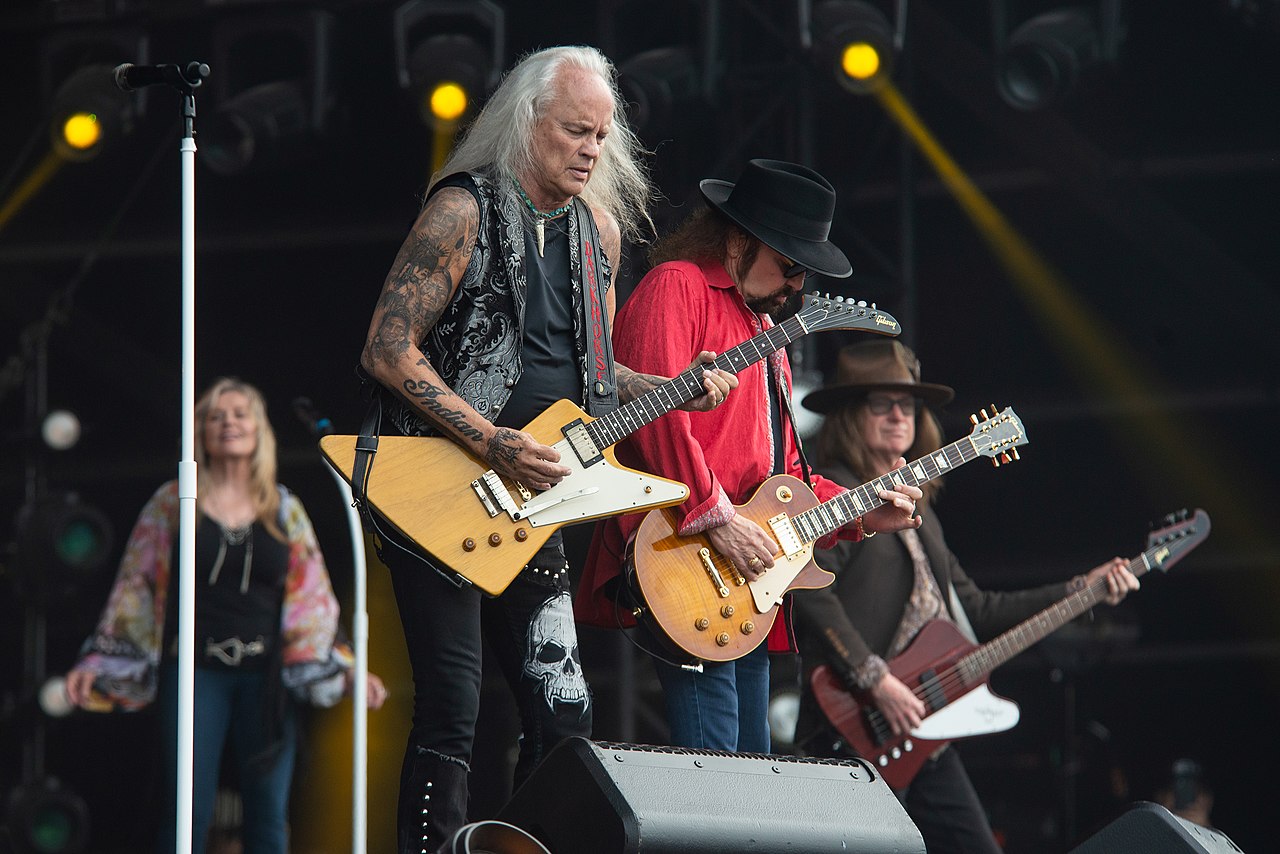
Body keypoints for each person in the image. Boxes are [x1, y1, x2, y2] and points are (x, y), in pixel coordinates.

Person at [356, 45, 736, 853]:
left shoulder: (597, 231)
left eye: (602, 136)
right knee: (454, 703)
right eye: (575, 131)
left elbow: (595, 374)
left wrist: (672, 382)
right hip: (440, 489)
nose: (591, 150)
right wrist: (491, 439)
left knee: (563, 711)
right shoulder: (461, 211)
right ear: (528, 123)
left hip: (540, 502)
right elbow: (389, 350)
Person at [576, 158, 924, 754]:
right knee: (717, 775)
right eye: (789, 266)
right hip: (684, 556)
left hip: (747, 584)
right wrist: (719, 517)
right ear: (739, 240)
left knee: (752, 773)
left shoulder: (769, 340)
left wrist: (863, 514)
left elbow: (790, 479)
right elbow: (658, 423)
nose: (797, 287)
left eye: (805, 276)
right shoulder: (677, 286)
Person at [790, 339, 1140, 854]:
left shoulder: (921, 514)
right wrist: (874, 678)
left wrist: (1078, 590)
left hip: (924, 732)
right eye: (879, 403)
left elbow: (977, 609)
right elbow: (807, 583)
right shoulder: (836, 493)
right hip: (857, 723)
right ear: (848, 415)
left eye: (906, 404)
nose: (897, 415)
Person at [64, 377, 387, 854]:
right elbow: (136, 584)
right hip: (195, 671)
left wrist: (345, 668)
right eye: (216, 415)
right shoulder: (173, 502)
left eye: (239, 414)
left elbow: (312, 595)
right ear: (200, 431)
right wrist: (100, 661)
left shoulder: (283, 508)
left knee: (269, 814)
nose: (228, 422)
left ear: (258, 430)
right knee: (187, 812)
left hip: (265, 677)